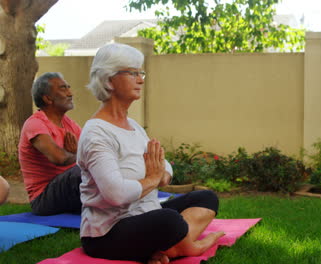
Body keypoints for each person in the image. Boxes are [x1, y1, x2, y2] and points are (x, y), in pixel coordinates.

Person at [78, 43, 224, 264]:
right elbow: (115, 194)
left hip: (146, 213)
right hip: (109, 232)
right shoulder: (96, 133)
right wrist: (153, 179)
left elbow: (164, 167)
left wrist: (159, 176)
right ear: (109, 79)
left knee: (206, 198)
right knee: (170, 222)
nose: (141, 79)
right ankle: (190, 248)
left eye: (141, 73)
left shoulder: (133, 126)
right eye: (132, 73)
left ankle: (165, 250)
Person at [18, 72, 82, 215]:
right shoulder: (35, 124)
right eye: (63, 88)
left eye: (68, 87)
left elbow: (94, 149)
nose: (70, 93)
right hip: (43, 199)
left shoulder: (69, 124)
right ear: (48, 99)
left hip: (69, 189)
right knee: (83, 171)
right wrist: (79, 154)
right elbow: (59, 158)